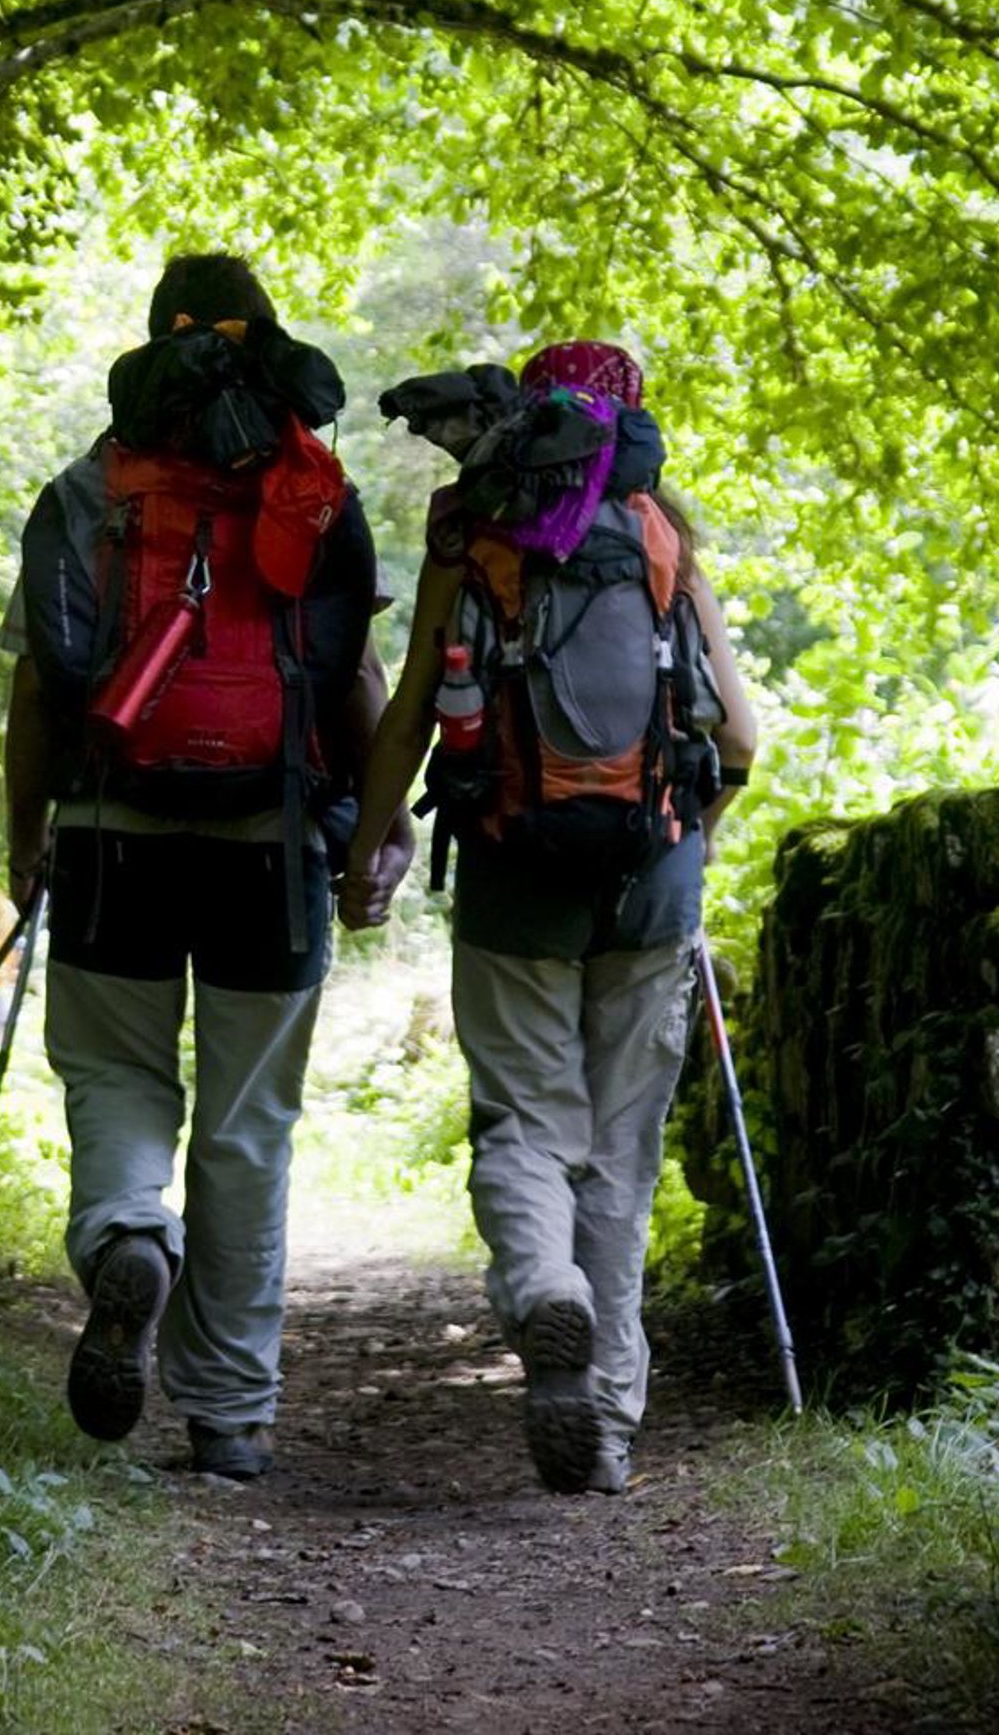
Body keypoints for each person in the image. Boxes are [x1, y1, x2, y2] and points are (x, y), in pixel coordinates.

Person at [2, 253, 411, 1479]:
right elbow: (351, 675)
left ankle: (133, 1236)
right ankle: (228, 1412)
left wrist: (25, 833)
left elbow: (38, 685)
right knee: (246, 1128)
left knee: (115, 1074)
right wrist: (381, 825)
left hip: (110, 831)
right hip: (270, 847)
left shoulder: (89, 487)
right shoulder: (313, 488)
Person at [341, 339, 758, 1497]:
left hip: (513, 869)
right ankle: (610, 1420)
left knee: (525, 1122)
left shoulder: (475, 533)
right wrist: (689, 836)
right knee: (621, 1155)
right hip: (651, 877)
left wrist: (370, 844)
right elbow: (736, 737)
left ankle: (544, 1289)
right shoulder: (663, 535)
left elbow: (412, 708)